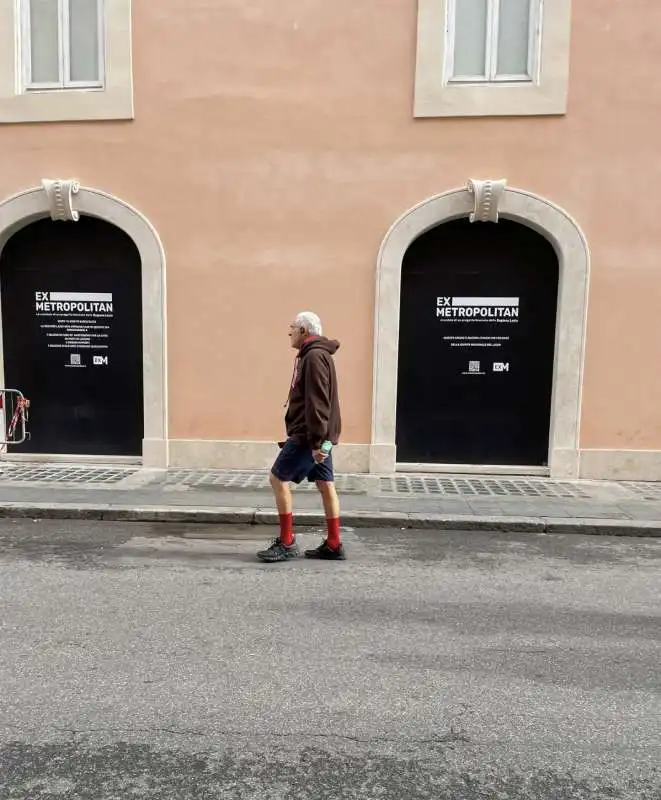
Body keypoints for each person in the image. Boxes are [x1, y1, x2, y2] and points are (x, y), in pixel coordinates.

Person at [257, 311, 345, 563]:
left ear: (304, 331)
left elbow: (318, 403)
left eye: (293, 327)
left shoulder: (314, 357)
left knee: (277, 478)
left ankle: (286, 542)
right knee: (325, 484)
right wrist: (325, 442)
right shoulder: (320, 354)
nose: (290, 332)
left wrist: (318, 443)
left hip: (309, 435)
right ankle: (334, 543)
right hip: (321, 434)